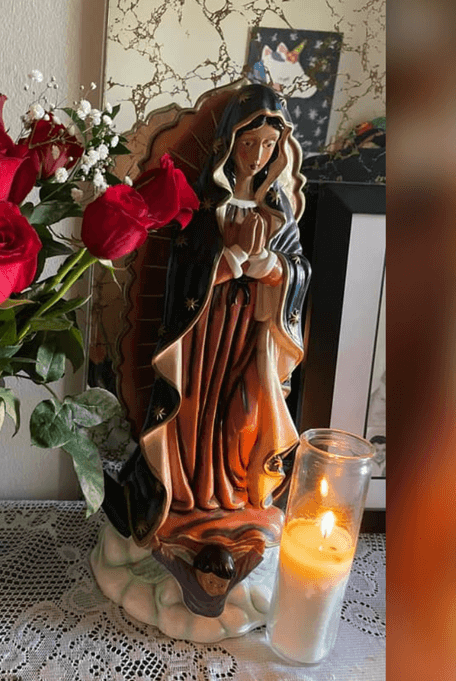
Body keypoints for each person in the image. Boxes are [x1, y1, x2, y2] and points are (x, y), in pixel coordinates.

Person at [103, 84, 312, 608]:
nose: (259, 154)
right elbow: (182, 264)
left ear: (279, 150)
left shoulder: (280, 212)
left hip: (250, 336)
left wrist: (274, 270)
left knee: (243, 415)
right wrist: (225, 262)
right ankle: (191, 496)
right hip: (202, 335)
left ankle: (233, 497)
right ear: (230, 143)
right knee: (195, 410)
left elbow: (300, 271)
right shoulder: (206, 205)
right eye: (250, 142)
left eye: (269, 145)